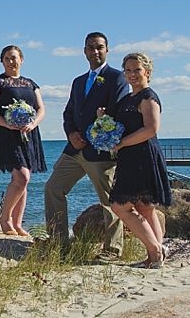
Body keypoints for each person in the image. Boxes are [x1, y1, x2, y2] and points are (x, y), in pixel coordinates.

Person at [44, 32, 129, 260]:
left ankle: (112, 250)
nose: (95, 51)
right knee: (53, 188)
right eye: (91, 47)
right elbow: (68, 112)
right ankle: (59, 243)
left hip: (100, 151)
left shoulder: (117, 78)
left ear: (107, 50)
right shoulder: (78, 81)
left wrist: (95, 135)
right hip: (74, 150)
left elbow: (118, 113)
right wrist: (71, 134)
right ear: (84, 51)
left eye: (100, 47)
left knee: (109, 201)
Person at [108, 53, 172, 268]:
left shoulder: (148, 96)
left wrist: (123, 143)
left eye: (137, 70)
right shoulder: (127, 98)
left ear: (147, 71)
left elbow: (151, 129)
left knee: (119, 206)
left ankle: (154, 251)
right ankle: (156, 255)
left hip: (143, 156)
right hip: (129, 157)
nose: (132, 74)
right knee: (145, 208)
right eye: (128, 70)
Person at [0, 45, 47, 237]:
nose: (12, 62)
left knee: (23, 181)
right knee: (22, 176)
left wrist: (33, 123)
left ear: (22, 60)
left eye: (14, 58)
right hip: (6, 134)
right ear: (2, 61)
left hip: (28, 134)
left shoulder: (30, 83)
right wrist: (6, 123)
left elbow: (41, 108)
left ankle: (17, 224)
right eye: (7, 58)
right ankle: (5, 218)